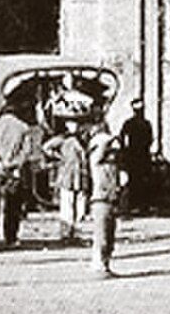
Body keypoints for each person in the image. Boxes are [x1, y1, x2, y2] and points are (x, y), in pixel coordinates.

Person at [0, 105, 39, 245]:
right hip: (14, 171)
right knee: (13, 205)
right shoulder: (23, 127)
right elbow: (27, 150)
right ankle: (10, 236)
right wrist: (14, 163)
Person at [45, 117, 91, 244]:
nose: (74, 126)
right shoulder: (63, 139)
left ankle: (76, 231)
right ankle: (66, 232)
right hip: (67, 174)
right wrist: (59, 157)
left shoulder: (83, 140)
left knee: (80, 205)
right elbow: (46, 147)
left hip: (80, 175)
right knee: (67, 204)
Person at [87, 120, 123, 276]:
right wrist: (107, 140)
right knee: (101, 234)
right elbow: (98, 153)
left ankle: (105, 263)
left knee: (109, 234)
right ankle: (98, 263)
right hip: (100, 198)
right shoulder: (97, 160)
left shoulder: (112, 165)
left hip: (111, 197)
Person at [118, 98, 154, 212]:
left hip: (138, 155)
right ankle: (138, 205)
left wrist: (125, 150)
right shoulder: (139, 124)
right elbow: (123, 138)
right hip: (137, 156)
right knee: (137, 180)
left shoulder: (136, 123)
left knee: (139, 180)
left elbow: (122, 138)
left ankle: (139, 205)